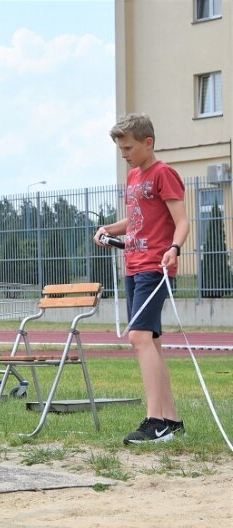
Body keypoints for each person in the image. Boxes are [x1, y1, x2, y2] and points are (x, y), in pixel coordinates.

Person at [94, 113, 189, 445]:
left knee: (138, 338)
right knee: (153, 343)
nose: (124, 154)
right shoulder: (134, 177)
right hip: (133, 265)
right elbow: (136, 220)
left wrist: (174, 248)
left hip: (155, 267)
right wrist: (110, 229)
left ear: (148, 143)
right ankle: (172, 421)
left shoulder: (165, 174)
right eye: (120, 149)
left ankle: (154, 421)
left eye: (129, 148)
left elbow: (182, 221)